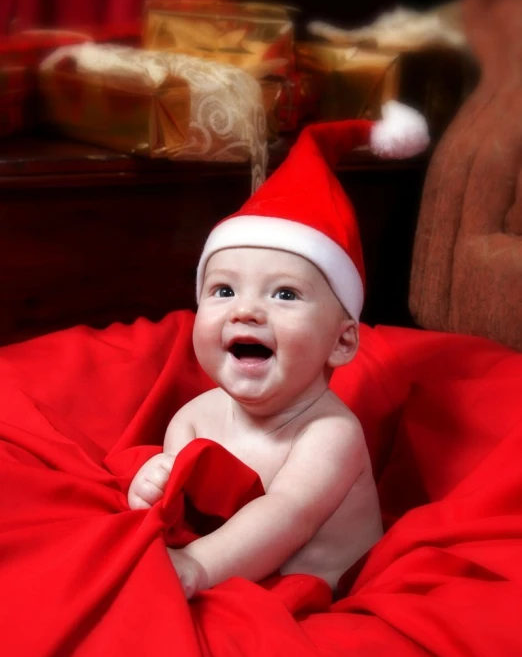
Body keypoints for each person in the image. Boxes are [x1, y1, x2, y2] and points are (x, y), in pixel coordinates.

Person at [127, 101, 429, 599]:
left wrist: (196, 567)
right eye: (223, 291)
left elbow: (287, 514)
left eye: (284, 294)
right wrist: (151, 488)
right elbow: (181, 515)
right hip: (230, 577)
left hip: (325, 596)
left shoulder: (329, 434)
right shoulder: (193, 418)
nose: (245, 311)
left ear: (342, 340)